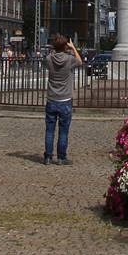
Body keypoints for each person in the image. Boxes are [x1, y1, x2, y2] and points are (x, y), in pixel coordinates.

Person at [42, 33, 83, 165]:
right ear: (65, 46)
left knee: (49, 130)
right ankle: (61, 157)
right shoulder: (69, 59)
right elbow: (80, 61)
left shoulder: (49, 59)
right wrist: (73, 48)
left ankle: (48, 157)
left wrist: (56, 49)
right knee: (63, 131)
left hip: (52, 99)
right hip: (65, 99)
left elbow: (47, 60)